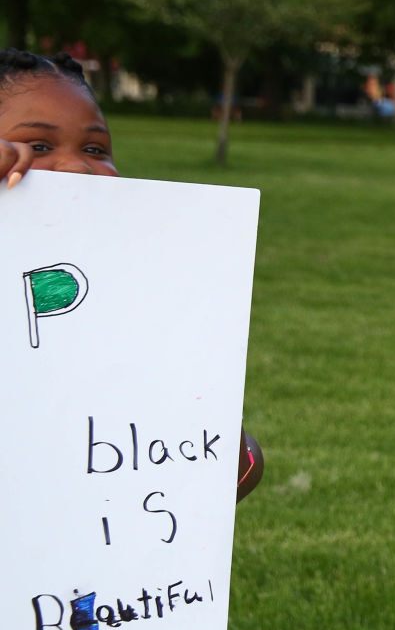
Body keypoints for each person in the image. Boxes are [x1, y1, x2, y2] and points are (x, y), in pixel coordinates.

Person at [1, 48, 263, 498]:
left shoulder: (127, 307)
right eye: (39, 146)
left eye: (95, 148)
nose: (77, 166)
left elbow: (234, 471)